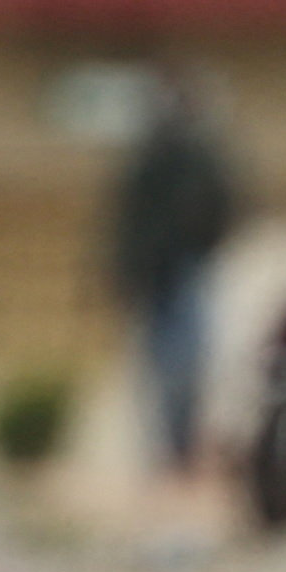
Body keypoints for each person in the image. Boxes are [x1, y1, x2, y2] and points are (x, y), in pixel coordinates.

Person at [108, 64, 241, 477]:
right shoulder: (145, 157)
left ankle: (182, 448)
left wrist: (205, 243)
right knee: (161, 368)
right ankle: (167, 452)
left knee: (189, 364)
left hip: (188, 266)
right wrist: (125, 272)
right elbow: (126, 219)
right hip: (155, 272)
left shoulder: (204, 154)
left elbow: (226, 203)